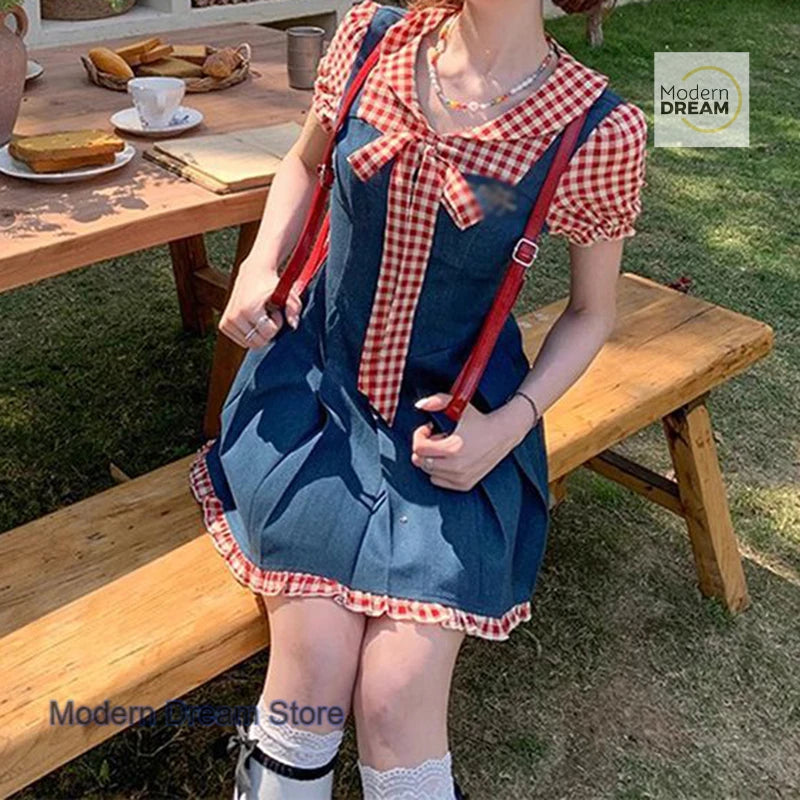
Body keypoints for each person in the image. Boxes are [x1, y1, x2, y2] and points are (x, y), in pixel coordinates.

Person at [189, 0, 648, 797]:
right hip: (314, 401)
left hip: (455, 428)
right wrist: (260, 264)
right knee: (312, 669)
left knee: (397, 695)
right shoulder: (372, 37)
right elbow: (303, 163)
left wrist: (506, 428)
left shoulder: (596, 128)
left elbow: (591, 312)